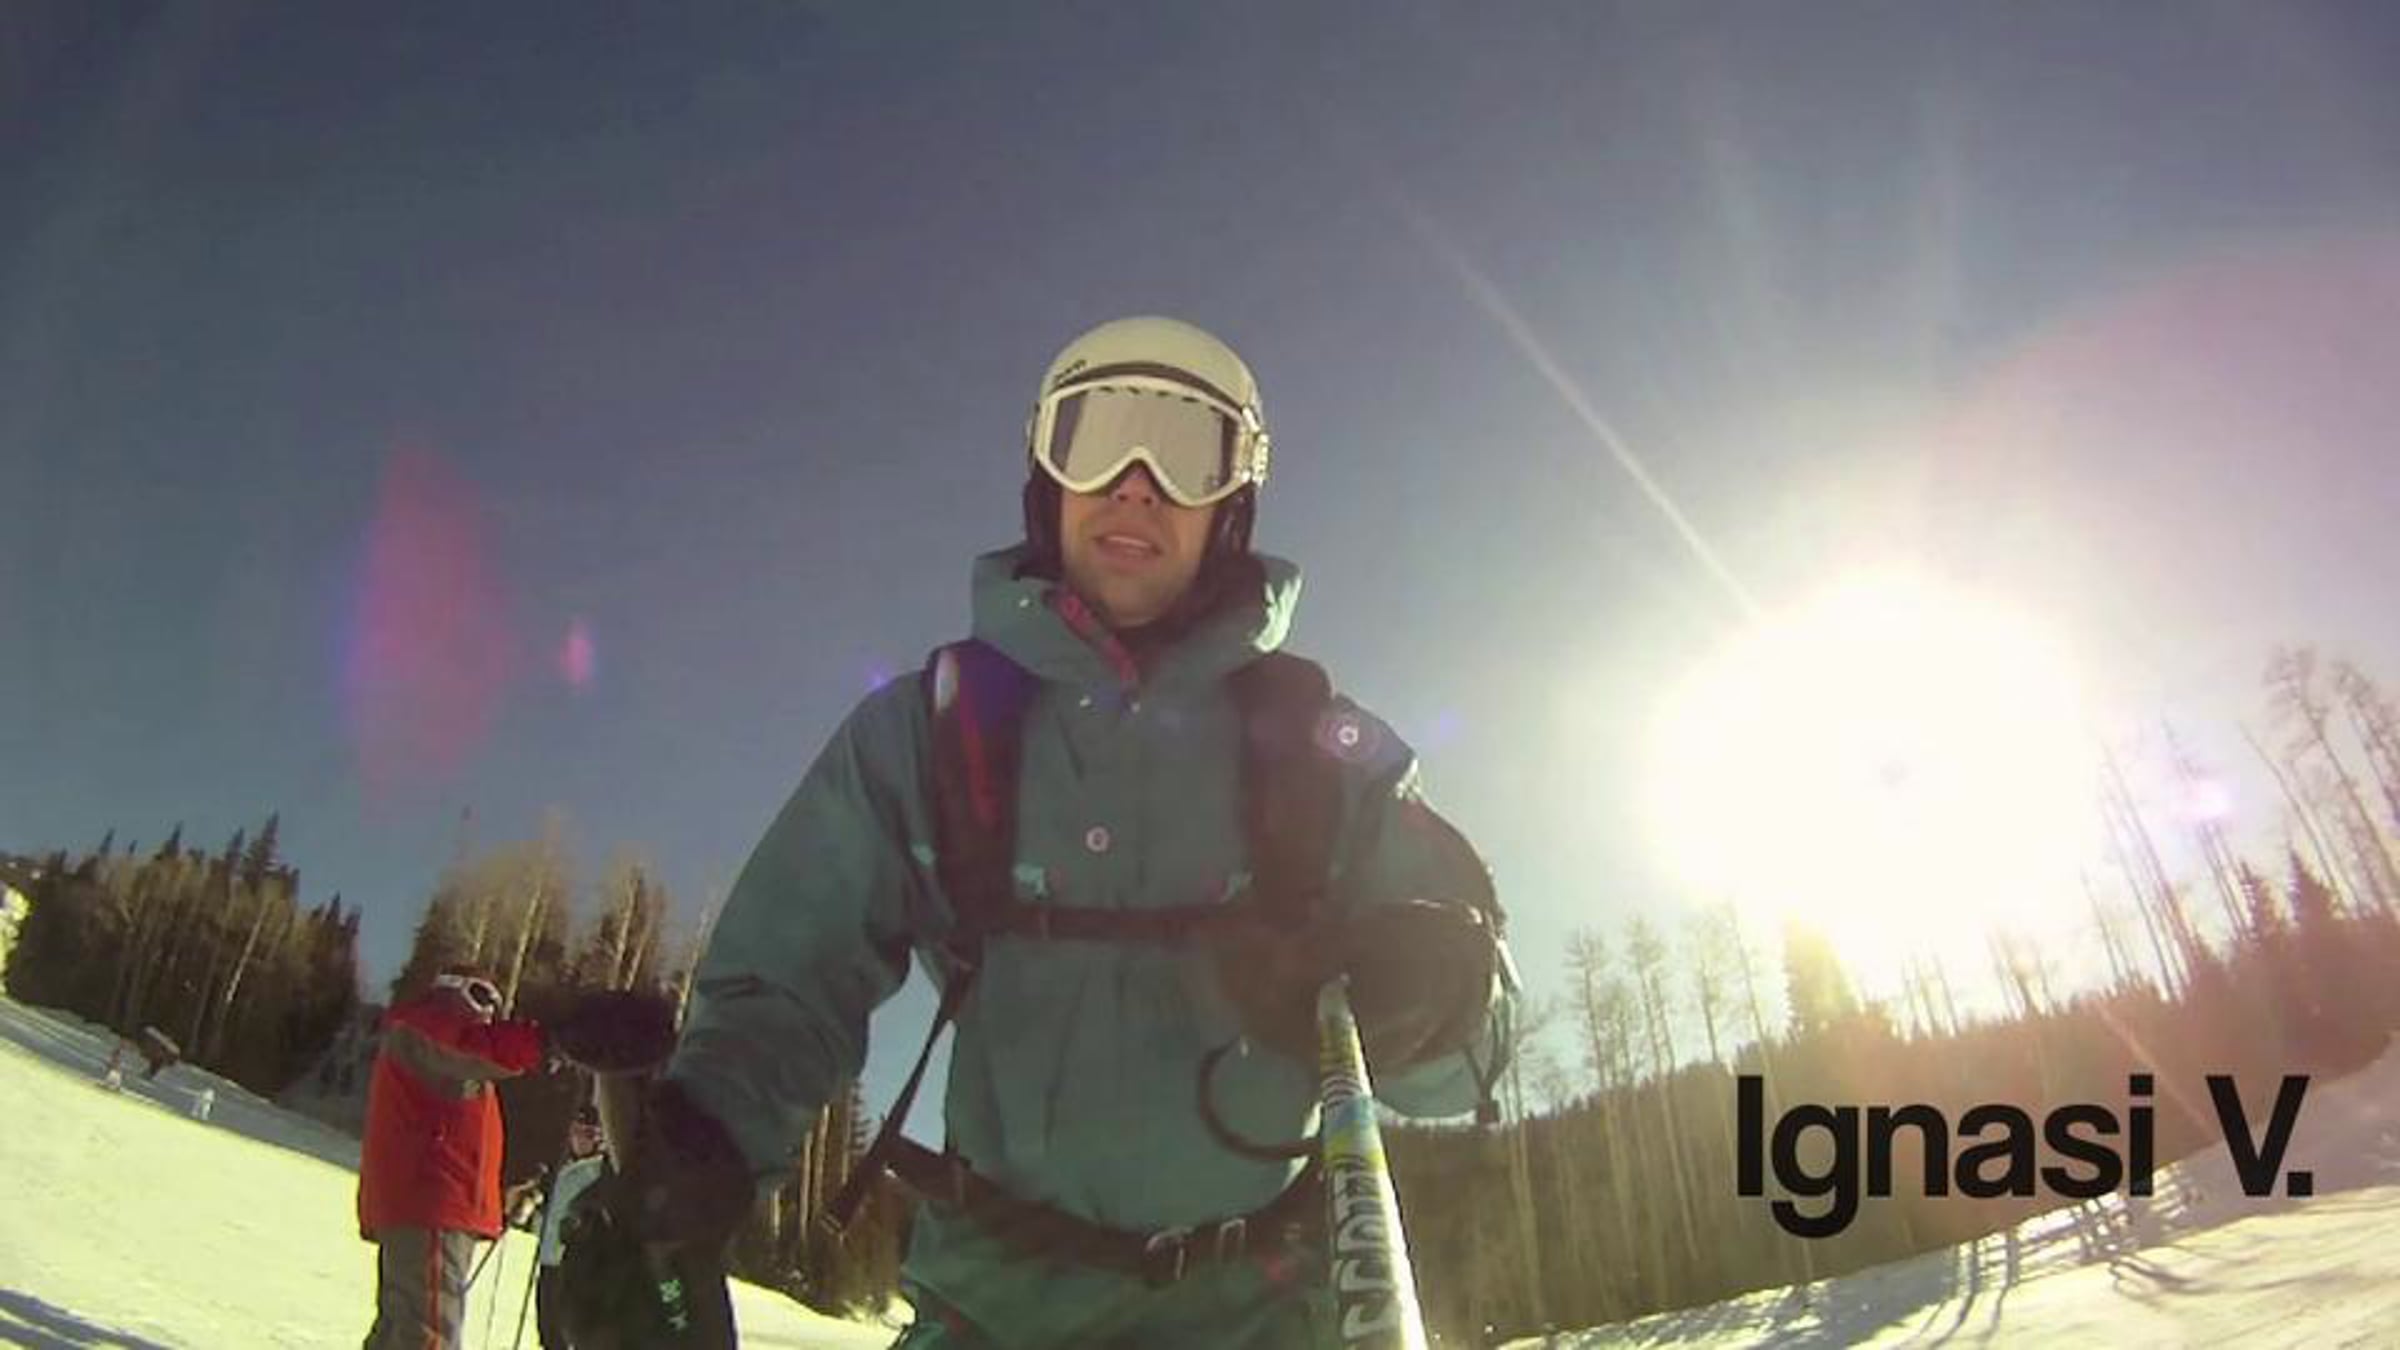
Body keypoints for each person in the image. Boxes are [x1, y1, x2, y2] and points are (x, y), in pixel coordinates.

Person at [610, 316, 1517, 1348]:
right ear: (1047, 481)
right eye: (1098, 439)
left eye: (1184, 450)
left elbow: (1477, 1055)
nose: (1136, 485)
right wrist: (696, 1153)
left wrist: (1427, 993)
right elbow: (787, 985)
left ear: (1231, 504)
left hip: (1264, 1312)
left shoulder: (1321, 753)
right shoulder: (936, 732)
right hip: (992, 1313)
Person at [357, 967, 548, 1349]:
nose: (489, 1010)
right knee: (428, 1334)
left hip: (431, 1204)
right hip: (432, 1202)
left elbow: (464, 1137)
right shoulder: (426, 1030)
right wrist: (546, 1040)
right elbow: (481, 1049)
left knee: (403, 1328)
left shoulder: (447, 1062)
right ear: (448, 990)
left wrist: (497, 1197)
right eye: (480, 995)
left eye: (496, 1003)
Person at [507, 1104, 609, 1349]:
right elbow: (539, 1215)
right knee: (549, 1332)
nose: (579, 1140)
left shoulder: (600, 1171)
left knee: (576, 1331)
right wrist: (527, 1204)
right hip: (550, 1263)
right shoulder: (560, 1170)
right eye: (576, 1132)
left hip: (581, 1266)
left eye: (588, 1134)